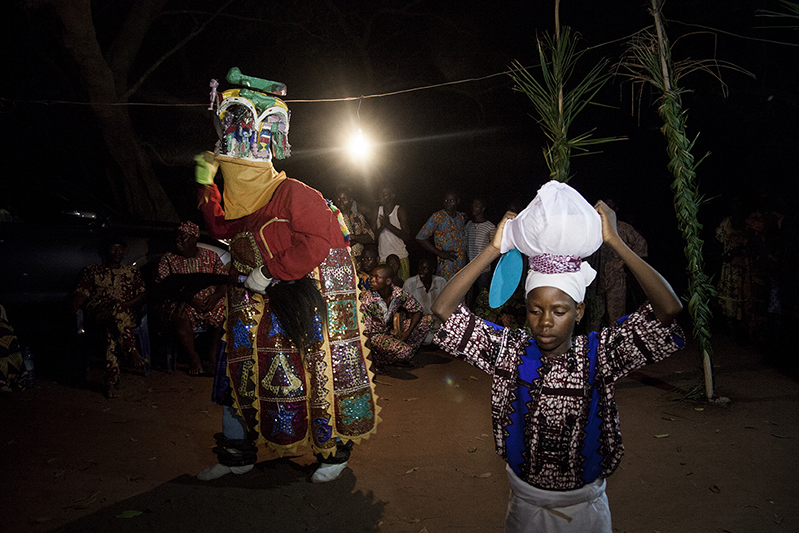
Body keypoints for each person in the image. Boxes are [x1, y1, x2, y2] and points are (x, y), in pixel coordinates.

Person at [431, 181, 684, 532]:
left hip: (585, 513)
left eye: (560, 311)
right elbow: (443, 308)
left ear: (579, 311)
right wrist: (492, 249)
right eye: (536, 309)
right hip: (526, 508)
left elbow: (669, 308)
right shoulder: (511, 353)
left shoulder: (599, 355)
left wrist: (615, 241)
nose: (545, 321)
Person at [194, 68, 379, 484]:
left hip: (295, 305)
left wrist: (268, 271)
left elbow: (319, 242)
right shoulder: (242, 202)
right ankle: (236, 454)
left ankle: (332, 453)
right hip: (248, 306)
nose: (234, 168)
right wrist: (205, 184)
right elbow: (222, 228)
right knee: (236, 376)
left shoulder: (294, 193)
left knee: (311, 377)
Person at [71, 237, 147, 398]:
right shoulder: (92, 270)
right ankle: (131, 350)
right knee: (114, 311)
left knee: (111, 329)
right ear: (106, 250)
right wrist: (75, 305)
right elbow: (82, 291)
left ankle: (111, 382)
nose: (117, 252)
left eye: (121, 249)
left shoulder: (131, 271)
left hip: (124, 316)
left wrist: (124, 306)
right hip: (98, 312)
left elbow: (142, 294)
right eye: (113, 248)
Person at [155, 221, 227, 376]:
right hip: (184, 302)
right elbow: (164, 287)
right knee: (180, 313)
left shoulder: (210, 256)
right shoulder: (168, 259)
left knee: (225, 311)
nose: (178, 241)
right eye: (177, 237)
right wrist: (190, 299)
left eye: (183, 237)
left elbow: (224, 283)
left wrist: (214, 298)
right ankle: (194, 358)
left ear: (194, 239)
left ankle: (212, 356)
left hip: (209, 303)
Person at [587, 198, 649, 331]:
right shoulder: (592, 228)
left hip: (615, 277)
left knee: (616, 315)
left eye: (610, 206)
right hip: (595, 278)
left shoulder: (623, 228)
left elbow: (641, 245)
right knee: (594, 315)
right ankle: (592, 347)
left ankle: (614, 347)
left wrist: (623, 263)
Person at [360, 264, 433, 368]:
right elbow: (365, 333)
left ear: (388, 281)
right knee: (404, 351)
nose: (372, 280)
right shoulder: (368, 299)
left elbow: (418, 310)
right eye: (371, 277)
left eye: (377, 277)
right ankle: (382, 360)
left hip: (390, 332)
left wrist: (407, 333)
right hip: (375, 337)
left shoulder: (399, 294)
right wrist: (370, 365)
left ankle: (400, 356)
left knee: (426, 321)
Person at [416, 190, 468, 280]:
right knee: (446, 291)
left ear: (457, 202)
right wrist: (440, 253)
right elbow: (420, 237)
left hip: (461, 266)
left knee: (461, 292)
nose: (448, 203)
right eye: (446, 201)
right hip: (446, 266)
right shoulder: (437, 217)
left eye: (452, 201)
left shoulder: (461, 217)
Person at [402, 256, 447, 345]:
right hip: (419, 323)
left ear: (432, 270)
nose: (421, 271)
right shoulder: (410, 284)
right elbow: (407, 311)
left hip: (437, 322)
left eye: (425, 269)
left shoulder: (441, 282)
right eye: (420, 268)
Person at [373, 185, 410, 281]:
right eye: (380, 194)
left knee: (402, 291)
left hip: (400, 257)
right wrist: (382, 227)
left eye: (385, 194)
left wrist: (388, 226)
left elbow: (407, 236)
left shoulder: (399, 210)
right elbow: (373, 237)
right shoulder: (377, 211)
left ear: (392, 195)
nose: (381, 196)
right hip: (383, 258)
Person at [334, 184, 374, 270]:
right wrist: (359, 239)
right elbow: (339, 244)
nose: (341, 202)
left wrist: (352, 237)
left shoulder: (358, 216)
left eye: (344, 199)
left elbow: (371, 237)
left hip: (361, 263)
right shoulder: (333, 219)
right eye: (338, 199)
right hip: (342, 263)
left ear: (351, 200)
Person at [465, 197, 496, 306]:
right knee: (468, 294)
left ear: (482, 209)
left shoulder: (490, 227)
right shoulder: (468, 225)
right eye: (473, 205)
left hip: (483, 269)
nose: (474, 207)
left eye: (477, 205)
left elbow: (496, 248)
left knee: (482, 295)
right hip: (469, 266)